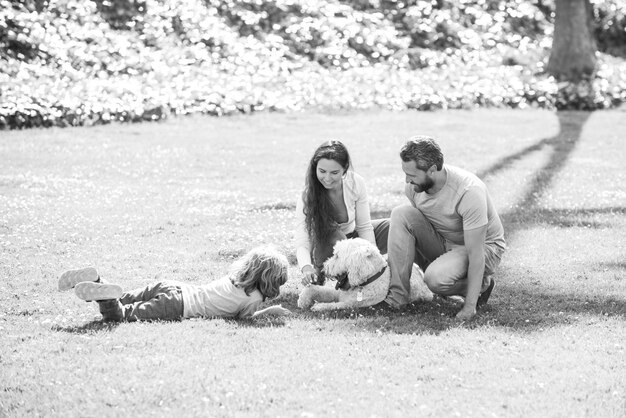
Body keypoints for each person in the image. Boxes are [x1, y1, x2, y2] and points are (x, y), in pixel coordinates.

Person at [383, 136, 506, 320]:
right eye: (405, 173)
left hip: (484, 249)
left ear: (432, 170)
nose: (407, 180)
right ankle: (397, 299)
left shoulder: (469, 192)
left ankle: (482, 286)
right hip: (445, 241)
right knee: (400, 213)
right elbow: (415, 230)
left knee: (434, 279)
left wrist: (469, 307)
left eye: (412, 175)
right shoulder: (414, 188)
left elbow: (476, 253)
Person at [57, 246, 292, 321]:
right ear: (270, 281)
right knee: (121, 314)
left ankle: (97, 281)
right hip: (177, 305)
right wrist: (270, 310)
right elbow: (244, 319)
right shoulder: (255, 298)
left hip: (173, 286)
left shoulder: (235, 278)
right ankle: (104, 296)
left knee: (123, 297)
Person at [295, 140, 388, 286]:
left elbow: (364, 226)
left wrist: (372, 255)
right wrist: (306, 267)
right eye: (322, 171)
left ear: (344, 169)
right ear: (315, 168)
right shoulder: (308, 195)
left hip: (352, 239)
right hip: (327, 248)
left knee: (392, 225)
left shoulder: (356, 183)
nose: (327, 178)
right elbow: (302, 239)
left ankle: (388, 274)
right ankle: (330, 275)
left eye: (334, 172)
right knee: (332, 230)